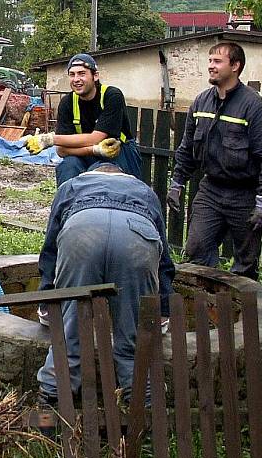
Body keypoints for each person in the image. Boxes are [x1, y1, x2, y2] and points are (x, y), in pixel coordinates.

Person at [36, 163, 173, 404]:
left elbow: (50, 252)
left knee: (68, 335)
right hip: (136, 237)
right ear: (122, 175)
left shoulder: (71, 186)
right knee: (133, 341)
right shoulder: (144, 191)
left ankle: (50, 404)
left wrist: (47, 302)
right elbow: (164, 262)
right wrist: (163, 309)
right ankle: (146, 413)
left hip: (82, 231)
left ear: (91, 173)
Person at [168, 42, 262, 280]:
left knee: (245, 264)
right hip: (211, 191)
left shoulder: (254, 106)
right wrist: (177, 182)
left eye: (217, 61)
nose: (211, 66)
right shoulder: (200, 103)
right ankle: (206, 306)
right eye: (209, 61)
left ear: (236, 66)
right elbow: (187, 149)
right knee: (196, 250)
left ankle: (242, 313)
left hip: (245, 194)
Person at [26, 53, 142, 186]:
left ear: (95, 76)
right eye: (72, 74)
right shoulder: (67, 103)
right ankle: (68, 206)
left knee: (108, 180)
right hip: (85, 155)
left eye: (82, 73)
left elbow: (96, 138)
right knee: (68, 166)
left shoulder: (112, 96)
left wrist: (50, 139)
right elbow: (62, 151)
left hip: (118, 154)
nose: (76, 79)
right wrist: (94, 150)